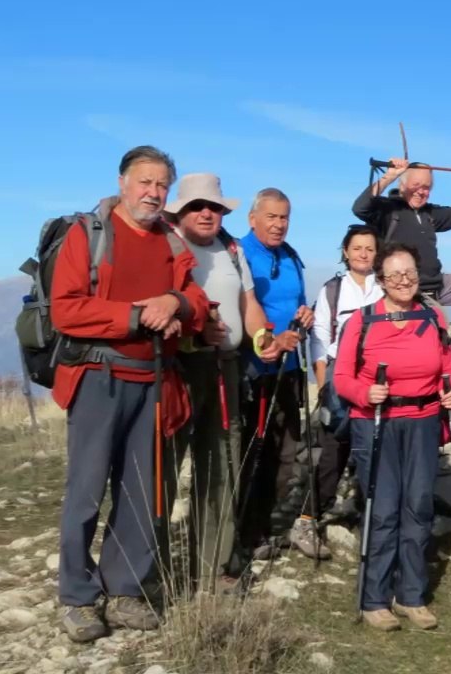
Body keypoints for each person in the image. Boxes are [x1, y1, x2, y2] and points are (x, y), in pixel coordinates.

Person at [50, 146, 209, 642]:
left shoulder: (173, 243)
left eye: (162, 184)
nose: (153, 192)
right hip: (99, 377)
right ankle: (77, 595)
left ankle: (125, 590)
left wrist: (175, 300)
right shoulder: (88, 234)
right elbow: (66, 310)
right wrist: (136, 316)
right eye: (144, 181)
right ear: (122, 182)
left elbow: (199, 304)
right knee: (86, 490)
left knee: (143, 492)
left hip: (157, 381)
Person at [334, 242, 451, 632]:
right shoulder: (363, 320)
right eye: (395, 275)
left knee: (419, 505)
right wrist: (363, 393)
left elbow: (446, 364)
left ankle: (412, 595)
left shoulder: (432, 317)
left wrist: (450, 389)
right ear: (381, 280)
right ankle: (375, 598)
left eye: (410, 273)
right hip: (376, 421)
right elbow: (341, 377)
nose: (404, 281)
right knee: (384, 507)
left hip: (424, 419)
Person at [163, 173, 274, 593]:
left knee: (223, 467)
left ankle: (213, 567)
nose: (207, 213)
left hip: (225, 367)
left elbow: (249, 303)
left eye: (214, 207)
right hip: (179, 370)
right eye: (197, 206)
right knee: (167, 467)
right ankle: (155, 568)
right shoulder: (167, 243)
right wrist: (192, 334)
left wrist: (262, 339)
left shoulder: (231, 248)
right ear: (181, 211)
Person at [238, 188, 320, 563]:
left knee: (286, 453)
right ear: (252, 219)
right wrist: (270, 337)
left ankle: (264, 526)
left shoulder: (291, 257)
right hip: (254, 370)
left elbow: (299, 306)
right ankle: (243, 531)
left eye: (284, 217)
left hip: (289, 368)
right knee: (255, 453)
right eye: (271, 216)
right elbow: (239, 310)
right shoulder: (239, 254)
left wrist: (304, 321)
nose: (279, 224)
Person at [351, 158, 451, 337]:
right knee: (436, 331)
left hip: (438, 285)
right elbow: (360, 208)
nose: (421, 192)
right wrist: (389, 176)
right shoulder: (387, 210)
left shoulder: (429, 213)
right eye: (416, 185)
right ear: (403, 184)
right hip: (409, 290)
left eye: (427, 187)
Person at [308, 225, 383, 514]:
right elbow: (320, 336)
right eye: (357, 248)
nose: (363, 254)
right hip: (341, 374)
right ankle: (312, 514)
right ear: (345, 251)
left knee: (373, 446)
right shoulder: (333, 290)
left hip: (377, 376)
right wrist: (323, 381)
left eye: (370, 248)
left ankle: (370, 511)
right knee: (334, 447)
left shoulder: (385, 287)